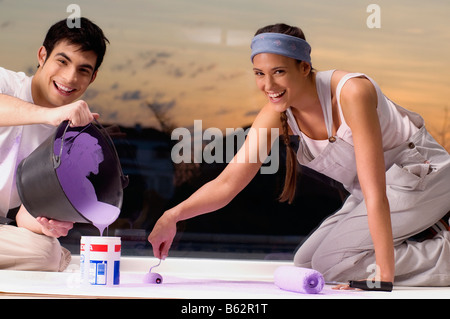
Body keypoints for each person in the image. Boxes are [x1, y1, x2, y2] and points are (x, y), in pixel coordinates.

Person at [148, 23, 450, 287]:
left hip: (422, 175)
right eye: (259, 74)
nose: (268, 85)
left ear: (304, 67)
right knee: (308, 264)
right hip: (378, 191)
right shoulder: (276, 114)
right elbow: (228, 184)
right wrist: (172, 215)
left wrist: (383, 274)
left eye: (279, 72)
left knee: (335, 262)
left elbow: (375, 193)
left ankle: (444, 255)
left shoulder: (351, 93)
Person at [0, 17, 108, 271]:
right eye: (62, 61)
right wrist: (49, 115)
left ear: (92, 78)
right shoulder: (7, 83)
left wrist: (45, 224)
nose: (70, 78)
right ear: (42, 55)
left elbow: (24, 216)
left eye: (83, 70)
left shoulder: (69, 139)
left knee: (46, 252)